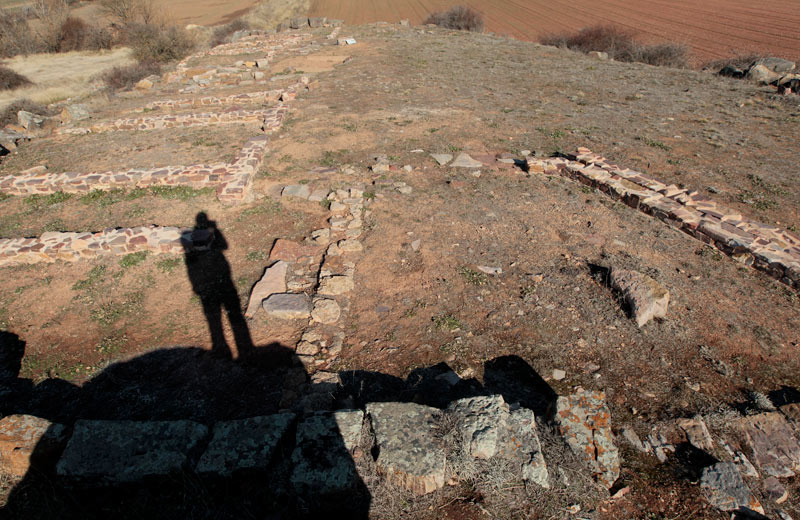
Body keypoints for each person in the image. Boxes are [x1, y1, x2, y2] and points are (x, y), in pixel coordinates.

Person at [183, 212, 253, 359]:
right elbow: (224, 246)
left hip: (210, 281)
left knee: (217, 316)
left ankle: (223, 345)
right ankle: (241, 349)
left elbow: (224, 246)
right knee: (231, 313)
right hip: (220, 278)